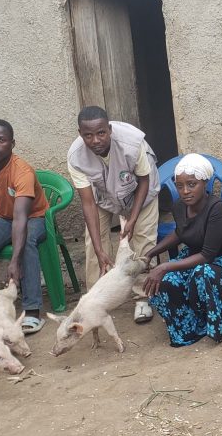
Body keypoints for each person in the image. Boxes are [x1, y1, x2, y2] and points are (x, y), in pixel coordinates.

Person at [143, 154, 222, 346]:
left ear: (205, 183)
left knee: (204, 273)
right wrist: (152, 252)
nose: (185, 191)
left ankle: (221, 324)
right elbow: (180, 232)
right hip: (194, 258)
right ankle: (188, 329)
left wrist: (165, 266)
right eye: (180, 186)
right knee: (167, 281)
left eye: (192, 184)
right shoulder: (179, 207)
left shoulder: (217, 208)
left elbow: (208, 255)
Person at [67, 106, 160, 324]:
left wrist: (133, 219)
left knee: (144, 240)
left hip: (142, 192)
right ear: (80, 134)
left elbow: (144, 181)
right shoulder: (75, 157)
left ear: (109, 130)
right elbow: (88, 202)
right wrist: (100, 249)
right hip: (105, 196)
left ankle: (143, 298)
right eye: (88, 135)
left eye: (101, 133)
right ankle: (94, 300)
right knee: (93, 242)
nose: (95, 140)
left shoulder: (132, 143)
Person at [0, 119, 49, 334]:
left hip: (34, 218)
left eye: (1, 140)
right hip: (5, 219)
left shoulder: (22, 171)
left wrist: (14, 262)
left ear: (12, 144)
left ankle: (32, 312)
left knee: (28, 240)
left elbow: (21, 217)